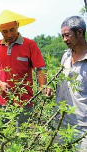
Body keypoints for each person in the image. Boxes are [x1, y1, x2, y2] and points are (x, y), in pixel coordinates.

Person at [0, 10, 53, 151]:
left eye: (12, 30)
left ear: (18, 25)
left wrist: (43, 86)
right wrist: (0, 83)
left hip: (24, 102)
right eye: (4, 31)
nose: (9, 34)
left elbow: (40, 69)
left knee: (21, 139)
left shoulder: (29, 45)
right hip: (1, 102)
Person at [55, 16, 87, 151]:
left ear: (79, 33)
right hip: (61, 122)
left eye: (67, 35)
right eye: (62, 36)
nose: (64, 40)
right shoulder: (66, 56)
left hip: (82, 128)